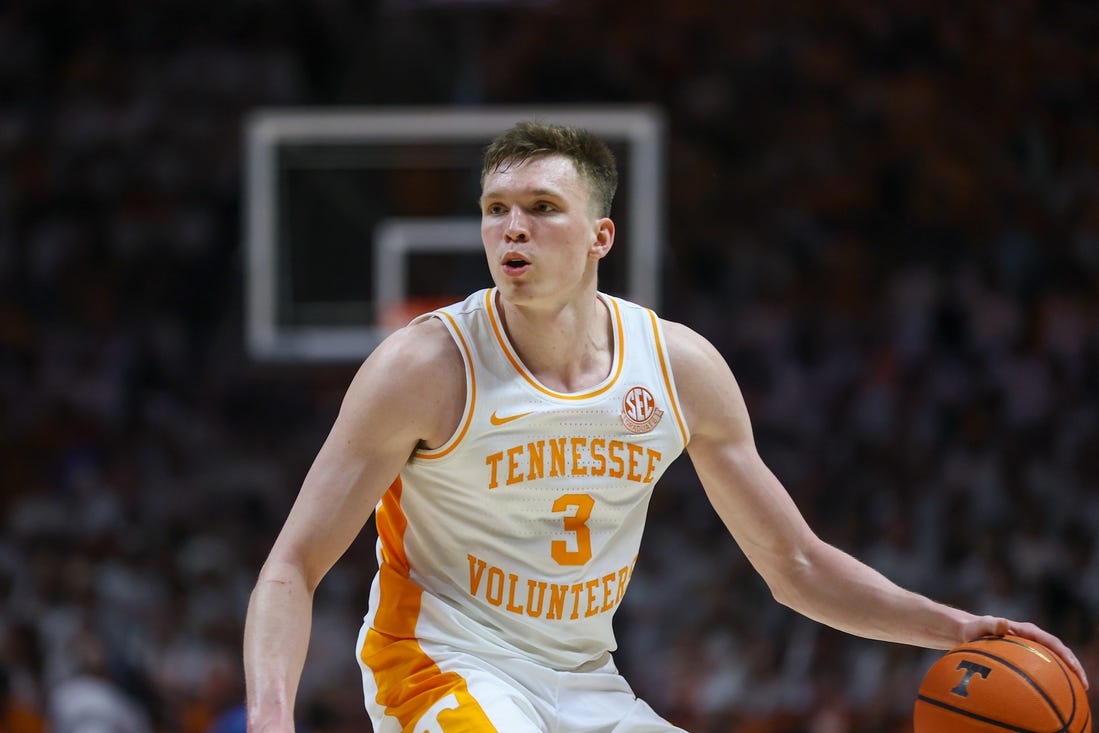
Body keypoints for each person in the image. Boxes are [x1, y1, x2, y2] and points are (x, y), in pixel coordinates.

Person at [243, 121, 1088, 732]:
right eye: (496, 207)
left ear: (600, 235)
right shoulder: (423, 366)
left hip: (586, 681)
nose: (512, 227)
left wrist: (952, 626)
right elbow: (293, 563)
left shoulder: (676, 367)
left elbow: (792, 563)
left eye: (541, 206)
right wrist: (271, 715)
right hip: (443, 666)